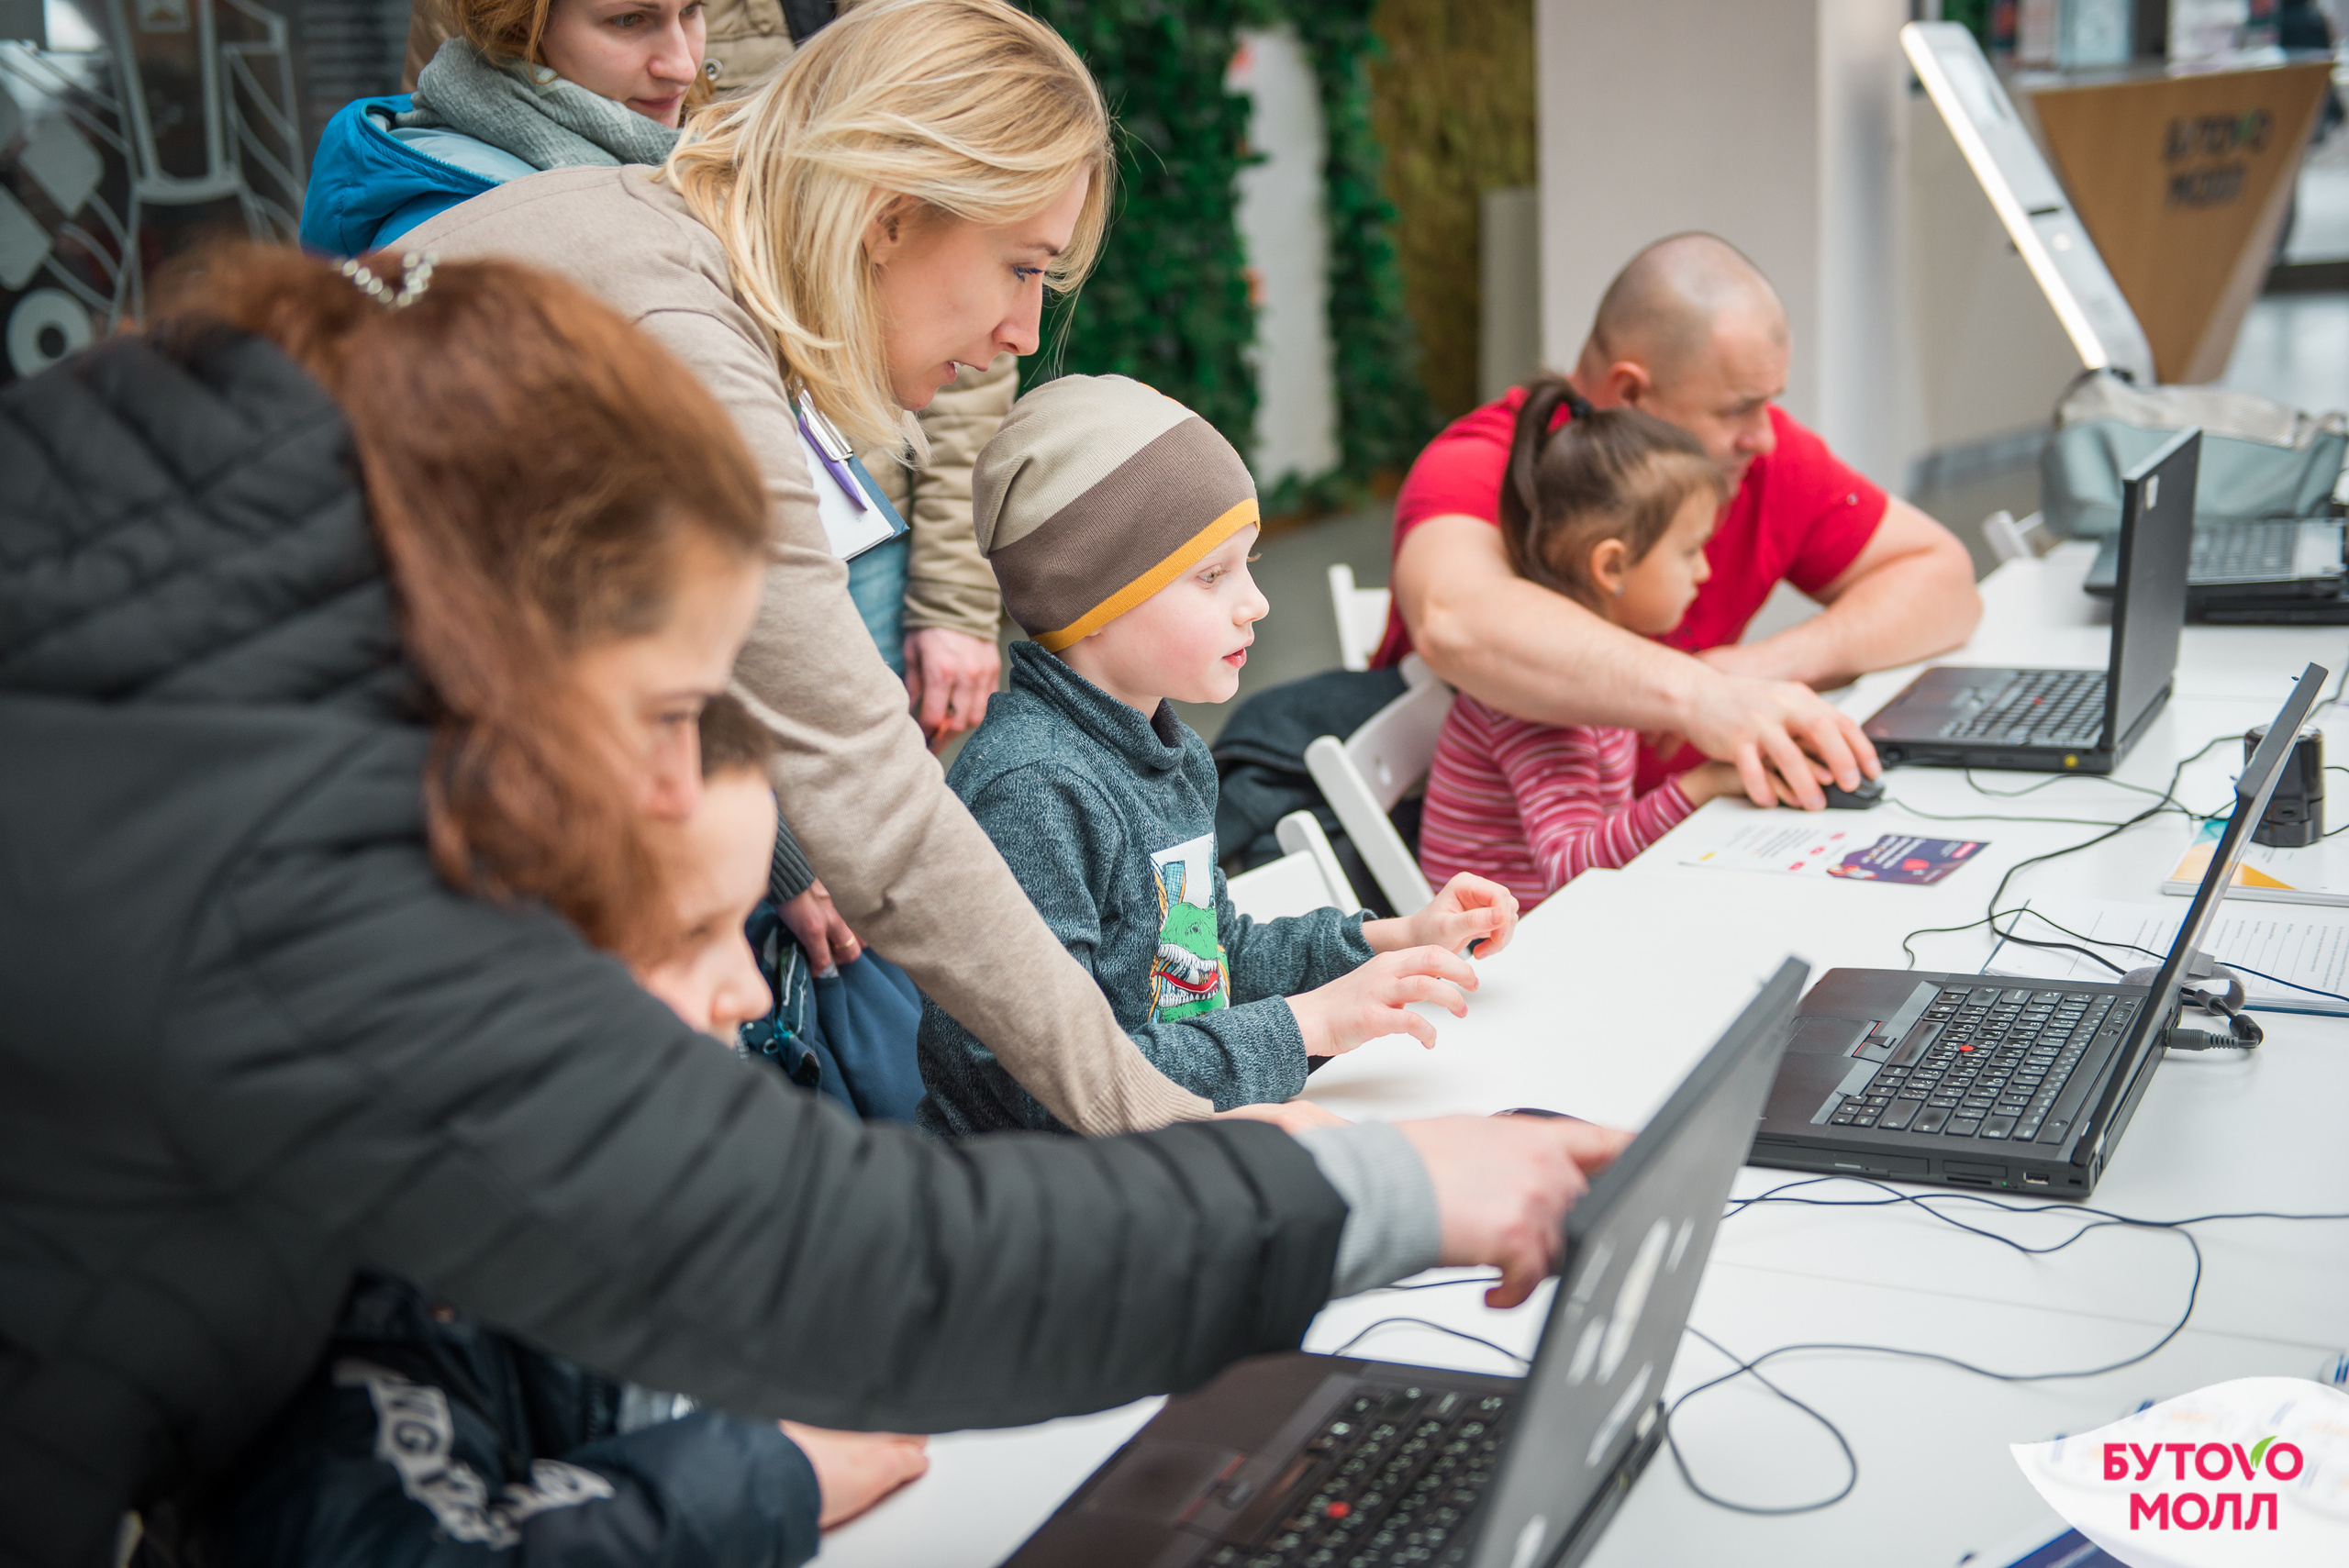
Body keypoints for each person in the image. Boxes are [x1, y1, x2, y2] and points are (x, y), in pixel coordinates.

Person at [0, 244, 1631, 1567]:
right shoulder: (281, 867)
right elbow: (841, 1254)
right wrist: (1379, 1189)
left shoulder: (180, 705)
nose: (674, 778)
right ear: (497, 641)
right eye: (661, 710)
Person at [397, 0, 1247, 1134]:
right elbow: (879, 807)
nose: (1022, 331)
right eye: (1020, 267)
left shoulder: (653, 231)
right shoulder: (683, 341)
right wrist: (1179, 1129)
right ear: (890, 216)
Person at [211, 698, 927, 1562]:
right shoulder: (369, 1269)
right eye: (690, 934)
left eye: (739, 927)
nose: (751, 991)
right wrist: (765, 1478)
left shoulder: (673, 1141)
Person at [305, 0, 1012, 755]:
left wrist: (954, 593)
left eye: (694, 12)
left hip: (831, 505)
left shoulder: (666, 155)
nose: (682, 63)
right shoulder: (469, 228)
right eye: (628, 21)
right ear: (522, 25)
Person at [918, 376, 1521, 1135]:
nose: (1256, 601)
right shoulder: (1033, 792)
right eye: (1212, 575)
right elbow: (1053, 1089)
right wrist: (1309, 1024)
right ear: (1092, 601)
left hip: (1164, 1150)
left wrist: (1394, 938)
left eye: (1248, 563)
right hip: (1039, 1189)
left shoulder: (1170, 754)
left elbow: (1208, 963)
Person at [1384, 232, 1982, 811]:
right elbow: (1454, 620)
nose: (1765, 436)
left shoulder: (1751, 458)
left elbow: (1944, 578)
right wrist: (1699, 695)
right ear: (1630, 393)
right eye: (1737, 408)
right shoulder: (1476, 466)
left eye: (1768, 401)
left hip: (1689, 827)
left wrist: (1751, 669)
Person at [1419, 389, 1802, 907]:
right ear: (1612, 566)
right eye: (1690, 551)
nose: (1704, 571)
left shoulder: (1593, 671)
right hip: (1521, 933)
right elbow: (1569, 867)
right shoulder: (1542, 704)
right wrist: (1705, 786)